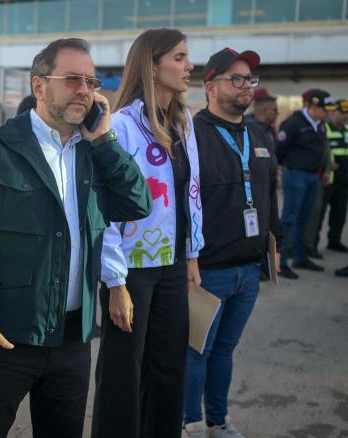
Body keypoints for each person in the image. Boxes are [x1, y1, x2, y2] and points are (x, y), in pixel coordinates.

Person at [0, 38, 152, 437]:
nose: (85, 90)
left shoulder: (93, 151)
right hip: (3, 337)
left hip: (72, 339)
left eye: (90, 81)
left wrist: (105, 140)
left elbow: (137, 204)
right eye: (72, 79)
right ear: (38, 86)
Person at [93, 28, 203, 438]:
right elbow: (103, 210)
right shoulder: (120, 125)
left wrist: (192, 253)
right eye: (178, 57)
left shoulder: (184, 122)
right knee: (123, 372)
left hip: (173, 265)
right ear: (151, 66)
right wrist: (116, 282)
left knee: (169, 367)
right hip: (131, 270)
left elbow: (191, 193)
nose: (188, 65)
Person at [182, 48, 282, 438]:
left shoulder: (258, 133)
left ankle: (217, 421)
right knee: (196, 353)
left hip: (249, 269)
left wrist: (276, 244)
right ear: (210, 86)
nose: (246, 87)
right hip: (208, 270)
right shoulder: (191, 134)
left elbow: (269, 193)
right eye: (236, 79)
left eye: (249, 80)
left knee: (224, 351)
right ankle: (189, 421)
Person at [276, 88, 334, 277]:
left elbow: (322, 149)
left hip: (312, 177)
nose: (327, 112)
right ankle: (282, 262)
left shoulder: (320, 125)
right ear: (311, 106)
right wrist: (285, 169)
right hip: (295, 176)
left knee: (304, 219)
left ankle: (300, 258)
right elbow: (279, 150)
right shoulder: (293, 123)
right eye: (324, 109)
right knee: (289, 219)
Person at [317, 99, 348, 253]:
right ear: (333, 112)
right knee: (319, 213)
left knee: (340, 212)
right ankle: (313, 244)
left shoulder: (347, 130)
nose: (345, 116)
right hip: (328, 178)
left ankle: (334, 241)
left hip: (344, 179)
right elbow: (320, 152)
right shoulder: (325, 129)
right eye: (342, 113)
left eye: (347, 113)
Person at [246, 89, 278, 153]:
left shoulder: (269, 128)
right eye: (275, 110)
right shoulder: (248, 129)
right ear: (265, 111)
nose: (277, 113)